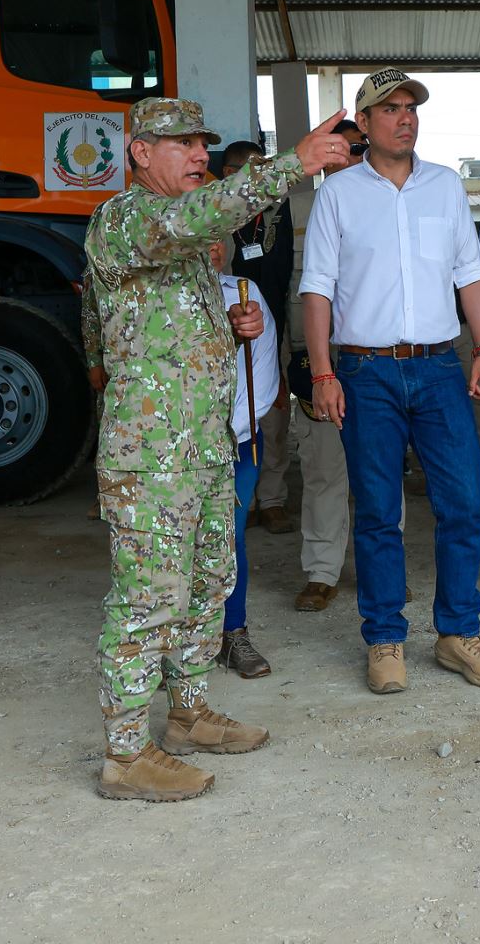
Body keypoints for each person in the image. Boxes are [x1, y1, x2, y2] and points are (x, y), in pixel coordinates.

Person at [85, 95, 351, 802]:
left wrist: (230, 328)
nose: (200, 153)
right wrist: (292, 164)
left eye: (202, 142)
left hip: (205, 446)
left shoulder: (186, 245)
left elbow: (159, 326)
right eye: (183, 143)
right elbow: (200, 216)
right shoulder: (126, 218)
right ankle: (124, 754)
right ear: (142, 153)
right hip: (150, 458)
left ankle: (188, 712)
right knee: (149, 597)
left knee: (208, 586)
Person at [301, 67, 480, 695]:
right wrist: (322, 372)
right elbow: (317, 289)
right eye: (390, 109)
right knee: (377, 511)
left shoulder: (445, 185)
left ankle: (458, 633)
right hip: (365, 370)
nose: (405, 118)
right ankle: (385, 638)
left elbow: (469, 271)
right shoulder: (338, 194)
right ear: (363, 123)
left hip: (439, 366)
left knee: (463, 502)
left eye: (411, 108)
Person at [287, 119, 366, 612]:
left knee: (379, 472)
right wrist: (288, 366)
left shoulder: (391, 205)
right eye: (335, 148)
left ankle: (383, 568)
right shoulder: (294, 209)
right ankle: (321, 572)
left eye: (356, 148)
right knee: (321, 472)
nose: (346, 157)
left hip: (374, 361)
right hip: (317, 364)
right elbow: (278, 286)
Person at [221, 139, 297, 537]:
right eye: (251, 171)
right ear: (229, 175)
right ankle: (241, 501)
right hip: (223, 328)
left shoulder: (279, 214)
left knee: (273, 415)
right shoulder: (213, 216)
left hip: (271, 326)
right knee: (231, 414)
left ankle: (272, 499)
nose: (259, 180)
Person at [212, 241, 278, 679]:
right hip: (174, 446)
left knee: (230, 538)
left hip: (234, 440)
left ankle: (232, 632)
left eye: (221, 235)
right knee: (174, 546)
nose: (214, 245)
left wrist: (228, 432)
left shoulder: (243, 292)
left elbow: (262, 369)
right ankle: (175, 646)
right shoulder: (160, 294)